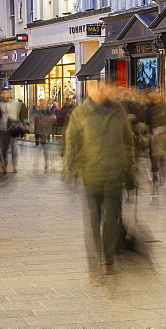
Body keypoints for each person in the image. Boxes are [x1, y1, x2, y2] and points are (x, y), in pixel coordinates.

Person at [64, 82, 135, 280]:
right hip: (91, 174)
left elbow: (128, 142)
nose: (101, 90)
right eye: (96, 87)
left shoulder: (118, 111)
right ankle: (97, 259)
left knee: (112, 220)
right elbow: (72, 142)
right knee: (94, 221)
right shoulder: (80, 113)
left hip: (114, 174)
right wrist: (70, 169)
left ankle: (108, 259)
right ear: (89, 91)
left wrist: (130, 173)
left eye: (103, 87)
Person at [0, 89, 22, 174]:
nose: (5, 95)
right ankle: (5, 162)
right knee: (3, 148)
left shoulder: (16, 104)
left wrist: (21, 124)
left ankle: (15, 166)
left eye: (7, 93)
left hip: (13, 129)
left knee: (14, 148)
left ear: (10, 94)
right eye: (3, 93)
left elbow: (20, 115)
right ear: (1, 95)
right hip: (3, 128)